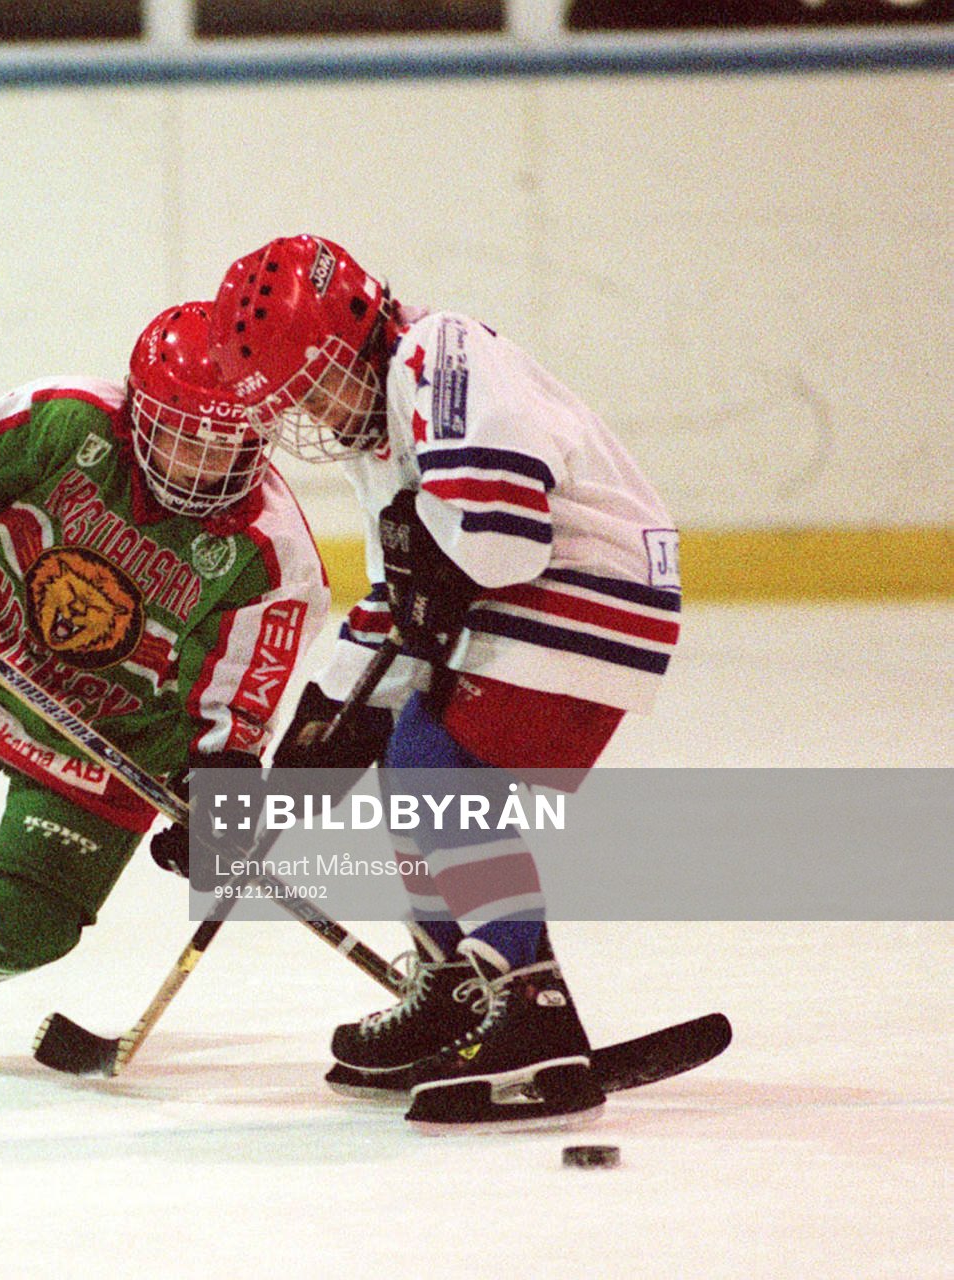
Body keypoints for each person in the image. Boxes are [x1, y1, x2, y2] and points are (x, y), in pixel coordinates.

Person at [208, 235, 681, 1130]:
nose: (307, 412)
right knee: (401, 758)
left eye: (312, 386)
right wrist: (305, 752)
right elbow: (404, 598)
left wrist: (427, 569)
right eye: (289, 402)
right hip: (546, 596)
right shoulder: (384, 422)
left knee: (433, 768)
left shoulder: (440, 352)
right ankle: (461, 987)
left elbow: (498, 543)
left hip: (591, 587)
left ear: (356, 335)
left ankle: (530, 1004)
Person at [0, 302, 325, 1049]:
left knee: (24, 929)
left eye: (234, 442)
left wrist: (220, 793)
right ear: (139, 415)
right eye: (187, 439)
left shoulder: (273, 558)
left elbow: (236, 714)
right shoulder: (71, 420)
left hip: (103, 747)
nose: (209, 464)